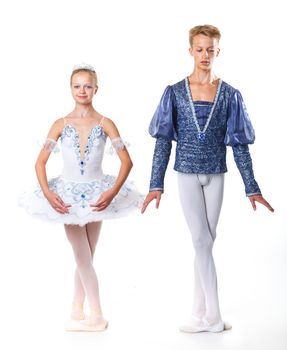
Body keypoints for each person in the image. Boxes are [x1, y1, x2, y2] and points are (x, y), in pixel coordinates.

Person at [141, 25, 274, 333]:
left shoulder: (230, 94)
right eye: (199, 49)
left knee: (206, 243)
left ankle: (197, 313)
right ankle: (214, 317)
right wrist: (155, 184)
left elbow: (239, 145)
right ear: (190, 51)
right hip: (186, 173)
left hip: (216, 173)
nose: (204, 55)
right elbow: (163, 141)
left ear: (218, 51)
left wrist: (251, 187)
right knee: (201, 241)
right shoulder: (174, 92)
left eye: (210, 49)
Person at [19, 63, 143, 332]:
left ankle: (90, 314)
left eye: (88, 85)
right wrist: (49, 194)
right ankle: (82, 310)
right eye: (77, 85)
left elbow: (127, 161)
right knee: (83, 257)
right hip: (68, 197)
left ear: (96, 89)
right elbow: (39, 163)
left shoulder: (105, 123)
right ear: (70, 89)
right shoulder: (60, 124)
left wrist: (111, 193)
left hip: (98, 194)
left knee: (86, 256)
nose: (82, 90)